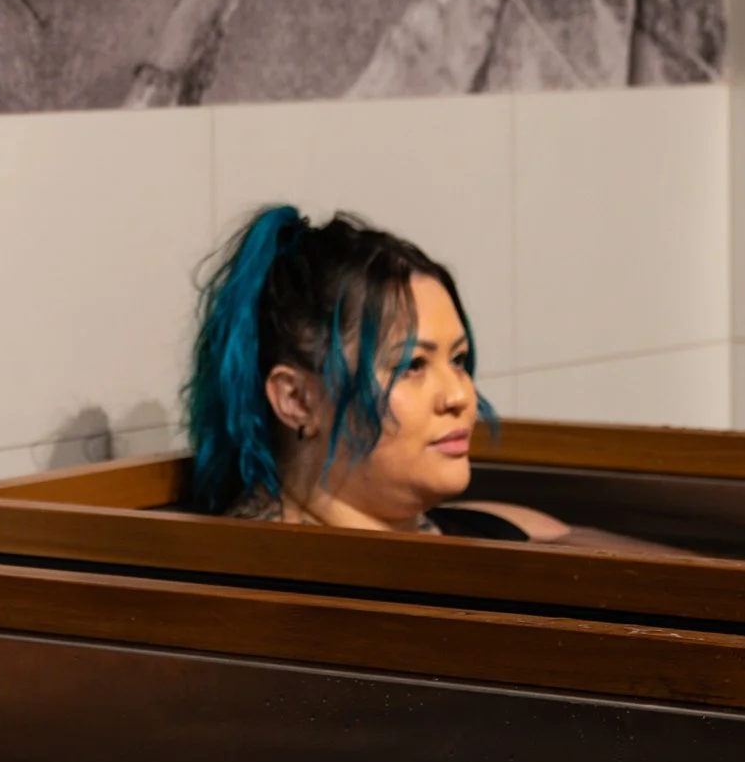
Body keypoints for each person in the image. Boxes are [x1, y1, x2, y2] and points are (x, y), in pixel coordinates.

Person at [182, 203, 638, 545]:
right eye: (413, 365)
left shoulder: (509, 529)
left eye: (458, 360)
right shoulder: (260, 592)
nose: (459, 396)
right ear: (297, 399)